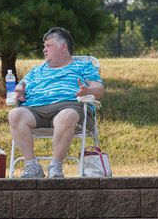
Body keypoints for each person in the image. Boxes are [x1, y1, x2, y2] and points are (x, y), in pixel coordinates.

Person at [8, 27, 104, 178]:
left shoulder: (83, 66)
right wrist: (19, 90)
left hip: (68, 107)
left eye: (49, 46)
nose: (44, 50)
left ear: (63, 47)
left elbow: (99, 89)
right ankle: (32, 166)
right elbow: (21, 86)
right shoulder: (36, 71)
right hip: (35, 110)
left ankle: (56, 167)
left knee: (67, 115)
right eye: (44, 46)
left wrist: (87, 91)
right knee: (15, 114)